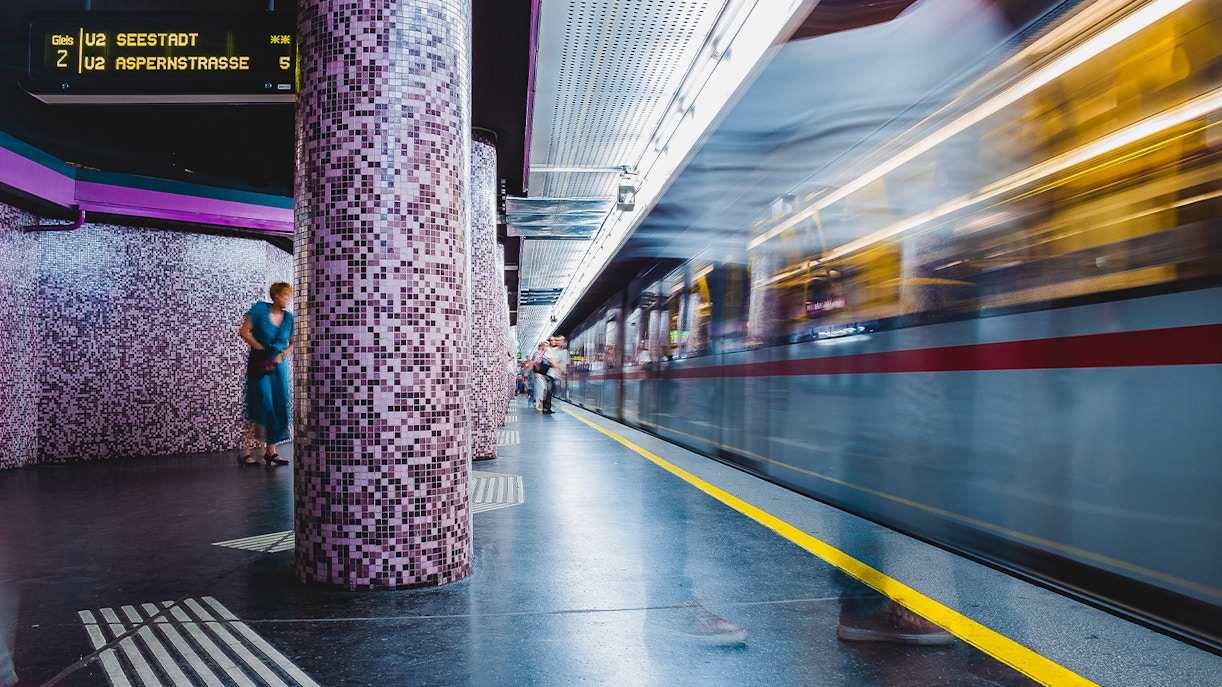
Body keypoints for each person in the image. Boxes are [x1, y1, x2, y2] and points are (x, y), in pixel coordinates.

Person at [237, 282, 294, 467]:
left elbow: (293, 343)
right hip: (259, 364)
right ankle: (244, 451)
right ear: (276, 295)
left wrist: (282, 355)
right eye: (286, 296)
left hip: (277, 366)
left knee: (278, 405)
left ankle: (271, 451)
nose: (288, 300)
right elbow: (244, 332)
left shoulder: (289, 318)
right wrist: (261, 349)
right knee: (260, 404)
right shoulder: (260, 309)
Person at [541, 335, 569, 414]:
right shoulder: (549, 350)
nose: (555, 342)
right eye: (553, 340)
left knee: (549, 391)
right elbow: (553, 363)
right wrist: (559, 370)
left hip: (550, 374)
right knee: (549, 391)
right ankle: (546, 408)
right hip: (549, 374)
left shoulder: (550, 350)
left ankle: (547, 407)